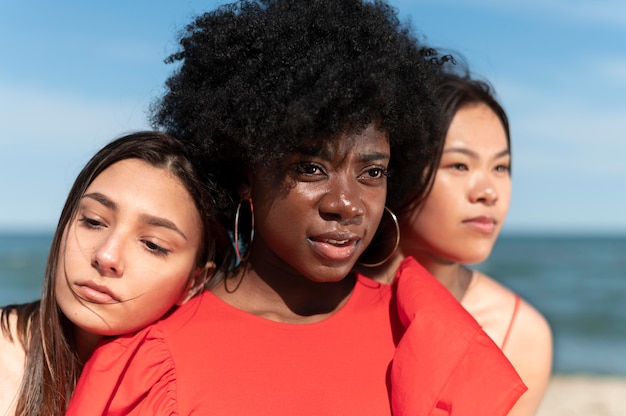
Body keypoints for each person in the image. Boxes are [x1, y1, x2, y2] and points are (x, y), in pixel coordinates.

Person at [67, 1, 525, 414]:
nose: (346, 204)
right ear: (246, 172)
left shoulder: (422, 332)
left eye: (371, 173)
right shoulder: (156, 365)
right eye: (310, 168)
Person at [361, 70, 553, 414]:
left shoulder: (519, 332)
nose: (488, 193)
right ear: (400, 171)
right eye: (460, 165)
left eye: (501, 168)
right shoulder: (322, 301)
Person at [0, 131, 230, 416]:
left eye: (152, 245)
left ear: (195, 282)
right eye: (93, 221)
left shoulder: (190, 394)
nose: (106, 256)